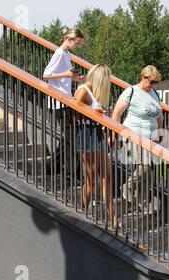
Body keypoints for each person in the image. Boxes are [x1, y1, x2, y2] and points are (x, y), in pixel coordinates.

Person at [111, 65, 163, 211]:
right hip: (133, 134)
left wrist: (160, 132)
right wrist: (113, 133)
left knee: (150, 170)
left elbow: (159, 115)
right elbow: (116, 114)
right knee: (145, 166)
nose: (153, 85)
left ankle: (142, 200)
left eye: (156, 82)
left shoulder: (154, 93)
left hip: (150, 137)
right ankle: (128, 186)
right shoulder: (131, 91)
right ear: (143, 77)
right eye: (151, 81)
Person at [74, 64, 115, 227]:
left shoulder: (93, 92)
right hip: (85, 134)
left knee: (107, 177)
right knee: (91, 180)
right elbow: (75, 114)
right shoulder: (83, 90)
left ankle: (113, 217)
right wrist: (94, 112)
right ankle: (81, 211)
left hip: (97, 133)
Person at [43, 28, 85, 176]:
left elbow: (62, 77)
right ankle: (58, 169)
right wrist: (67, 74)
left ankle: (55, 168)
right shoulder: (60, 53)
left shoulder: (66, 54)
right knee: (71, 137)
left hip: (65, 101)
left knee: (70, 137)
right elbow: (46, 74)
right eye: (77, 43)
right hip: (58, 102)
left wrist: (75, 78)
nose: (77, 46)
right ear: (69, 39)